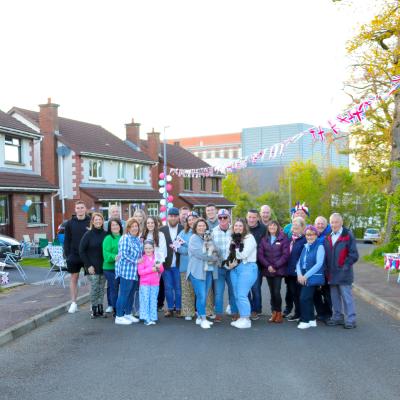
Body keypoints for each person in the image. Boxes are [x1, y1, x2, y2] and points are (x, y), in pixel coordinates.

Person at [325, 213, 359, 329]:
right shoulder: (328, 237)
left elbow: (354, 255)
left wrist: (345, 267)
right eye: (332, 222)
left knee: (346, 297)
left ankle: (351, 319)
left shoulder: (348, 235)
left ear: (341, 222)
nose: (334, 224)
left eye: (336, 222)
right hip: (332, 273)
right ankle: (338, 317)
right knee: (334, 297)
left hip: (344, 273)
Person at [187, 218, 219, 329]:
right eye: (199, 226)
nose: (201, 227)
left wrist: (215, 254)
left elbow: (216, 249)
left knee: (204, 296)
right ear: (195, 228)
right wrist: (214, 257)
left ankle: (200, 317)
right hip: (197, 271)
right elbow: (201, 254)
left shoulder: (208, 237)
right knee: (201, 295)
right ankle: (204, 319)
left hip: (208, 271)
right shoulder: (194, 238)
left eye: (203, 225)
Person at [258, 220, 290, 323]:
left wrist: (275, 266)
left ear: (277, 227)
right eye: (270, 225)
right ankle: (274, 313)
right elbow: (260, 255)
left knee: (276, 291)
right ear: (268, 227)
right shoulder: (264, 239)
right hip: (268, 270)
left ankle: (279, 312)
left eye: (274, 225)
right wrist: (268, 266)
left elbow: (286, 255)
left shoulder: (283, 238)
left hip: (278, 270)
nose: (272, 227)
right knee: (272, 292)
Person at [229, 218, 258, 329]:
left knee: (241, 294)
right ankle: (242, 316)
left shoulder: (249, 238)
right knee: (236, 295)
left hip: (247, 268)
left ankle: (246, 319)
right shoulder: (232, 238)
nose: (238, 228)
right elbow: (228, 254)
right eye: (236, 226)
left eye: (240, 226)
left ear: (244, 227)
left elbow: (244, 254)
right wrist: (230, 263)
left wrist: (233, 250)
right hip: (234, 269)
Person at [296, 225, 326, 329]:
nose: (309, 237)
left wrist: (305, 276)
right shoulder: (305, 246)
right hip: (303, 275)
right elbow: (299, 262)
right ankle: (312, 319)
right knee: (309, 298)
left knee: (304, 298)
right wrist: (299, 274)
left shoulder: (320, 246)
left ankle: (305, 320)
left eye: (312, 234)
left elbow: (319, 264)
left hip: (313, 276)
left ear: (316, 235)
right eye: (307, 235)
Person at [64, 201, 91, 313]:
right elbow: (67, 240)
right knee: (74, 278)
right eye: (78, 208)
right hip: (74, 255)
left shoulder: (90, 222)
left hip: (88, 255)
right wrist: (68, 255)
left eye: (82, 207)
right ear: (75, 210)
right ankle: (73, 303)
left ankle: (92, 303)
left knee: (91, 279)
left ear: (85, 209)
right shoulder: (70, 223)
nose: (80, 210)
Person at [114, 217, 142, 325]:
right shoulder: (125, 238)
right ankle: (119, 316)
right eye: (132, 226)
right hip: (126, 270)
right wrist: (137, 261)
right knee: (124, 293)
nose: (135, 228)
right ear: (128, 228)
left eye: (136, 226)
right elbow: (124, 255)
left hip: (135, 272)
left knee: (131, 294)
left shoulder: (138, 239)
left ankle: (128, 313)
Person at [79, 213, 107, 318]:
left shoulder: (106, 234)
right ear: (92, 221)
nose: (98, 221)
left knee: (101, 288)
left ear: (102, 221)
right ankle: (94, 309)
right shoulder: (88, 235)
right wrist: (88, 265)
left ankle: (100, 308)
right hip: (92, 267)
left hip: (103, 266)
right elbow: (82, 251)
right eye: (96, 220)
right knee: (95, 287)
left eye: (100, 220)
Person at [212, 209, 238, 322]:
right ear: (218, 219)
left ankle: (234, 312)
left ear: (229, 218)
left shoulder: (234, 230)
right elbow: (211, 249)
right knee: (219, 291)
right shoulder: (213, 232)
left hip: (232, 267)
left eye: (225, 217)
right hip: (219, 267)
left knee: (233, 291)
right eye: (220, 218)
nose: (222, 219)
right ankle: (218, 313)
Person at [160, 207, 183, 317]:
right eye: (171, 216)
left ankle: (178, 308)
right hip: (166, 264)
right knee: (168, 287)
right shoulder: (162, 230)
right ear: (168, 217)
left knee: (178, 288)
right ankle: (169, 308)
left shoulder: (183, 229)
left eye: (175, 216)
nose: (173, 218)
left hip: (179, 263)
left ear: (178, 217)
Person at [176, 211, 199, 321]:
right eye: (189, 220)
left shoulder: (202, 231)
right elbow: (176, 246)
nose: (191, 221)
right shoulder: (182, 233)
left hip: (199, 267)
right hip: (185, 266)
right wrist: (189, 249)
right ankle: (188, 312)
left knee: (200, 290)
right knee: (187, 290)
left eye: (193, 219)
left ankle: (202, 311)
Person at [284, 217, 307, 322]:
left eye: (297, 227)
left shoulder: (304, 240)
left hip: (299, 272)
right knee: (293, 293)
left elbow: (304, 257)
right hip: (289, 272)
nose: (295, 229)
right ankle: (297, 313)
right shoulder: (289, 239)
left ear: (302, 228)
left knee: (299, 294)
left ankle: (300, 314)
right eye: (294, 226)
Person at [138, 240, 164, 325]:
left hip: (155, 283)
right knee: (145, 300)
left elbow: (161, 270)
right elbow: (140, 272)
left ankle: (152, 317)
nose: (148, 250)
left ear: (153, 248)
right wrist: (151, 269)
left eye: (150, 248)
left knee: (153, 300)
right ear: (144, 249)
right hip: (144, 283)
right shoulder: (142, 259)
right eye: (146, 248)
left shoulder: (156, 258)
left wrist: (159, 267)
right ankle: (146, 318)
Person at [246, 209, 266, 320]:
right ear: (247, 217)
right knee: (245, 289)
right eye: (250, 217)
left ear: (258, 218)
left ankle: (256, 310)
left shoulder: (263, 229)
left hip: (257, 264)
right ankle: (248, 308)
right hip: (243, 264)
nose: (252, 219)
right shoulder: (243, 227)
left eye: (254, 217)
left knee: (256, 289)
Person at [102, 218, 123, 316]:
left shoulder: (124, 236)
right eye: (113, 225)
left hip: (122, 268)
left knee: (123, 288)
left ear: (120, 226)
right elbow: (106, 253)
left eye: (117, 225)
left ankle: (121, 307)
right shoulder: (108, 238)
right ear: (110, 228)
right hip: (110, 268)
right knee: (114, 288)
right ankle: (115, 309)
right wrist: (114, 257)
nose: (115, 227)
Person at [313, 216, 333, 322]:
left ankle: (328, 314)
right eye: (318, 224)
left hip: (326, 269)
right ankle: (320, 313)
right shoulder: (314, 234)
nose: (320, 226)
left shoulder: (329, 235)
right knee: (315, 292)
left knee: (327, 293)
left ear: (326, 225)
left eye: (322, 224)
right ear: (315, 224)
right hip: (315, 269)